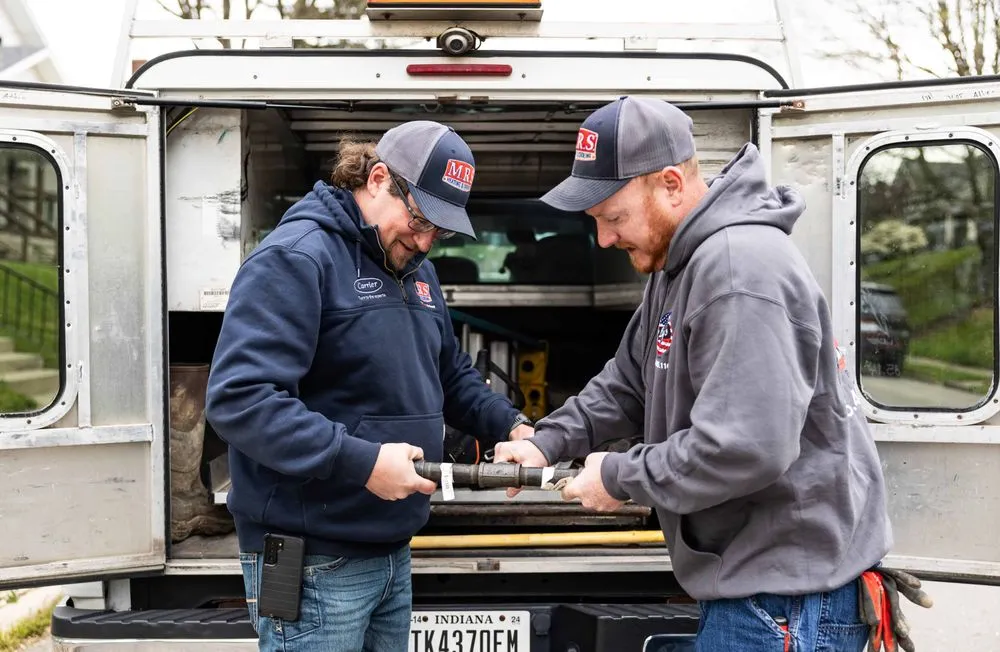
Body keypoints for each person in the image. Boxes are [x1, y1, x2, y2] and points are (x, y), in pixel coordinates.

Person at [494, 96, 930, 651]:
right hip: (760, 597)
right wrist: (548, 441)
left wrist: (619, 477)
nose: (604, 239)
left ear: (671, 184)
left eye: (613, 218)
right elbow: (629, 381)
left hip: (785, 608)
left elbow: (744, 447)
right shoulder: (679, 264)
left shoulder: (738, 269)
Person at [205, 120, 534, 652]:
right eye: (421, 220)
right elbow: (241, 400)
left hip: (390, 548)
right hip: (311, 558)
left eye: (441, 231)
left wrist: (512, 425)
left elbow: (449, 373)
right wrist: (362, 464)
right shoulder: (298, 258)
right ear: (378, 178)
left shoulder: (415, 271)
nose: (427, 242)